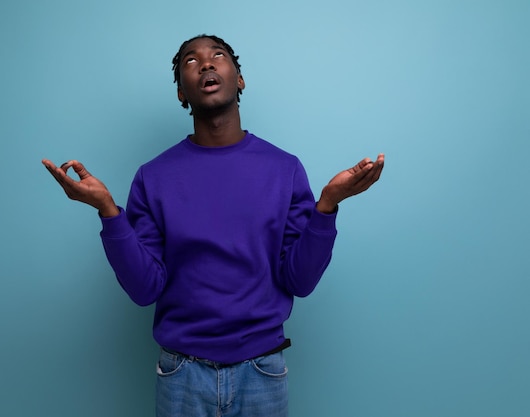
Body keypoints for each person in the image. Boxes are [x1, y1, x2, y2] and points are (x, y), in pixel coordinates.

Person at [42, 34, 384, 417]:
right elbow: (144, 289)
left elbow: (298, 281)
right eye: (191, 61)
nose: (206, 64)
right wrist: (108, 211)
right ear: (181, 95)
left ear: (239, 80)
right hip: (182, 375)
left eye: (217, 56)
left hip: (263, 370)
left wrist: (327, 206)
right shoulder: (153, 177)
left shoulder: (284, 169)